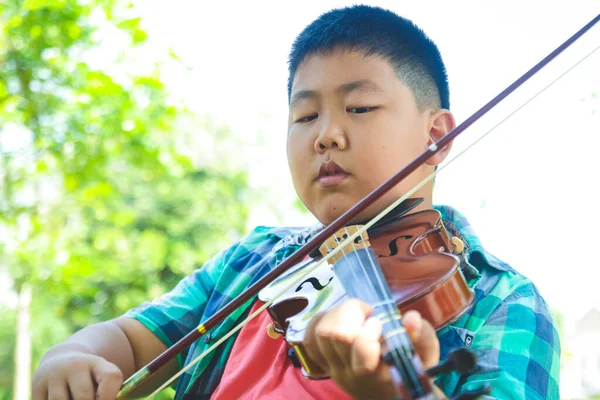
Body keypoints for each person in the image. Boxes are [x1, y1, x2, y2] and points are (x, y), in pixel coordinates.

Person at [32, 4, 560, 399]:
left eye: (360, 106)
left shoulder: (500, 299)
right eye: (305, 117)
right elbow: (131, 337)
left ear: (438, 137)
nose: (325, 136)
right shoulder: (254, 260)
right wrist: (74, 354)